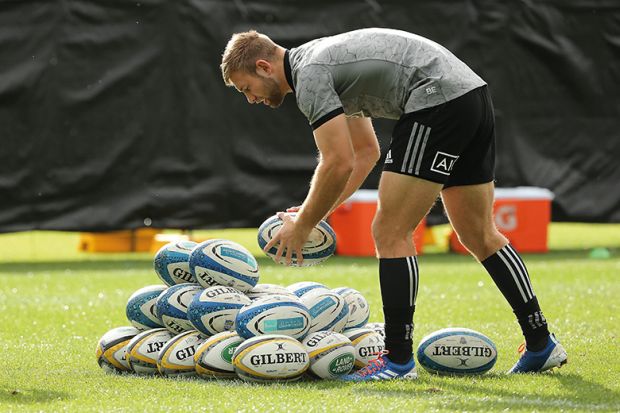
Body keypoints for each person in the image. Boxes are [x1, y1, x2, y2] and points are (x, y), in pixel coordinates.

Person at [220, 28, 567, 381]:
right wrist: (314, 213)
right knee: (479, 234)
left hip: (437, 102)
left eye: (246, 88)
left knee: (389, 231)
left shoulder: (309, 76)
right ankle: (541, 343)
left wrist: (304, 225)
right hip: (470, 96)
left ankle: (397, 361)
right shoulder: (321, 63)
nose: (251, 99)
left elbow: (337, 161)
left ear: (264, 66)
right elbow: (364, 153)